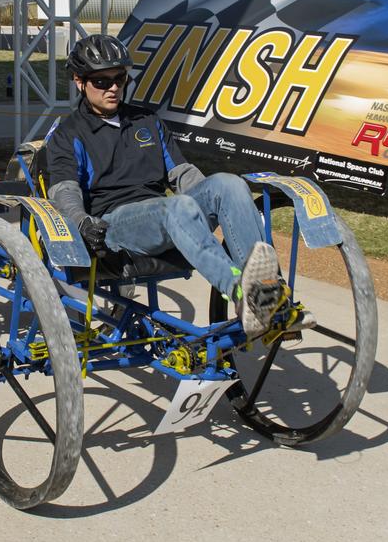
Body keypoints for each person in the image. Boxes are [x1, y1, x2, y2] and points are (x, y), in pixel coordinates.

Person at [45, 34, 308, 340]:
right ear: (80, 82)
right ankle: (240, 293)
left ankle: (268, 293)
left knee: (228, 183)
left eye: (119, 78)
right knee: (178, 206)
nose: (113, 87)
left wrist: (212, 200)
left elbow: (182, 174)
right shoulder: (69, 133)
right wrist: (81, 221)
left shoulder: (147, 121)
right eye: (102, 82)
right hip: (114, 226)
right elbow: (64, 189)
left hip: (164, 216)